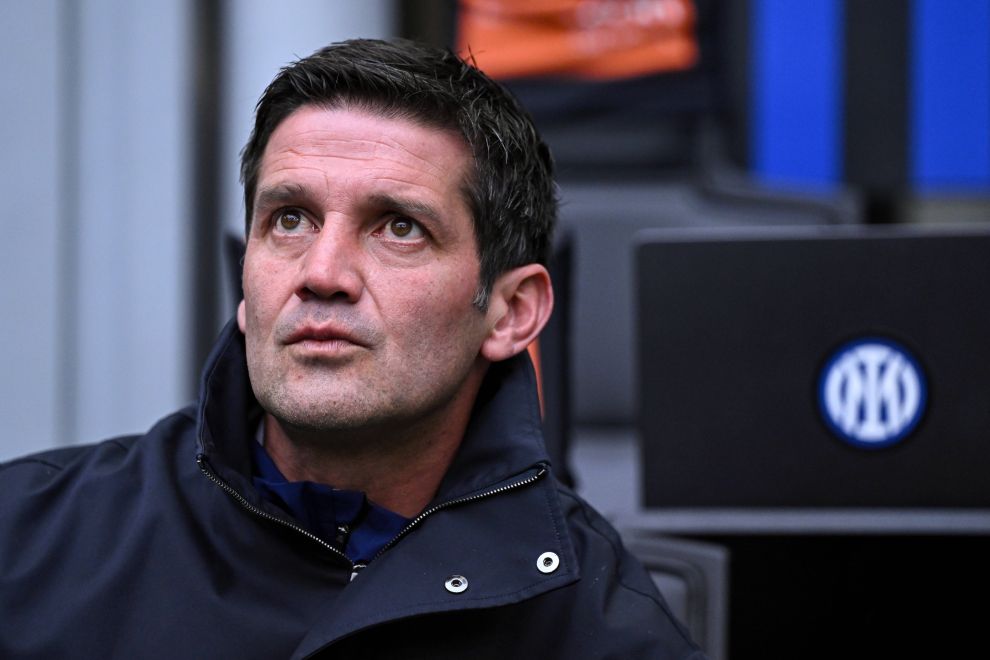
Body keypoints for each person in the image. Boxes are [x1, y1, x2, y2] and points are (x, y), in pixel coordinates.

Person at [0, 39, 705, 659]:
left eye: (399, 228)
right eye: (290, 220)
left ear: (511, 313)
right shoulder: (26, 543)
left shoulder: (596, 626)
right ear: (246, 283)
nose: (321, 273)